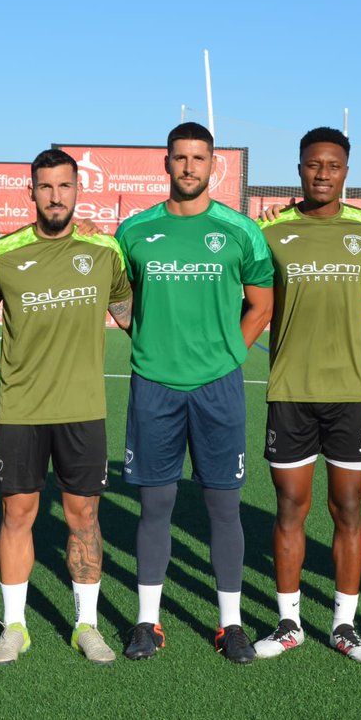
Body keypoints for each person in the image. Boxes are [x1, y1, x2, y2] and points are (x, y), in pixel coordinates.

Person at [115, 122, 274, 664]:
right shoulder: (134, 232)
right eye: (179, 158)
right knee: (155, 504)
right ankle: (147, 622)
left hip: (218, 388)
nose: (188, 167)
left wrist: (231, 354)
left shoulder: (240, 230)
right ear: (166, 163)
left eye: (198, 158)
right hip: (154, 385)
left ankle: (230, 625)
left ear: (213, 165)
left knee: (223, 506)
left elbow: (261, 305)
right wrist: (149, 344)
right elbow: (119, 300)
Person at [0, 149, 133, 665]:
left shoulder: (106, 252)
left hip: (83, 409)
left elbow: (134, 319)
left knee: (83, 517)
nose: (55, 196)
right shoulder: (1, 254)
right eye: (46, 187)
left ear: (78, 189)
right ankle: (13, 625)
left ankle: (87, 624)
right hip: (20, 410)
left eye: (65, 186)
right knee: (17, 514)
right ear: (31, 191)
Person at [250, 127, 361, 663]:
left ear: (346, 171)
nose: (322, 173)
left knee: (348, 509)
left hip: (350, 393)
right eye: (313, 164)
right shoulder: (270, 232)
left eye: (332, 165)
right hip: (289, 391)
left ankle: (344, 624)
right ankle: (288, 622)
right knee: (291, 506)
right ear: (299, 169)